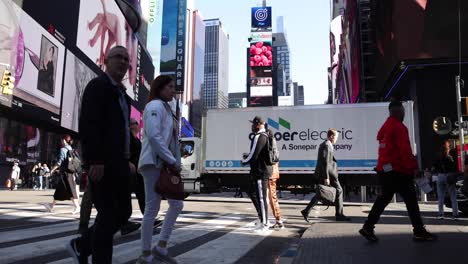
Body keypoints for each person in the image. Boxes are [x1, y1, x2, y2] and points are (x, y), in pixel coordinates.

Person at [67, 46, 134, 264]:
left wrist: (131, 158)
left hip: (121, 163)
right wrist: (94, 160)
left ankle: (82, 245)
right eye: (118, 57)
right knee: (107, 216)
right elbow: (89, 125)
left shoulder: (123, 95)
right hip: (103, 163)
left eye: (126, 59)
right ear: (106, 60)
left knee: (123, 212)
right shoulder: (97, 86)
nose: (123, 62)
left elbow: (125, 131)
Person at [359, 101, 436, 242]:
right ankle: (418, 231)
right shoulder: (399, 128)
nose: (404, 114)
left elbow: (387, 149)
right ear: (399, 112)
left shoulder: (386, 127)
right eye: (403, 112)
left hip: (385, 170)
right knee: (411, 202)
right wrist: (414, 168)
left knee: (383, 200)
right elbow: (405, 151)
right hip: (398, 171)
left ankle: (368, 227)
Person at [136, 75, 183, 264]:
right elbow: (155, 136)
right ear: (160, 88)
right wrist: (172, 160)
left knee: (177, 204)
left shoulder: (166, 108)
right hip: (153, 163)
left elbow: (172, 141)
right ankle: (146, 254)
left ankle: (161, 247)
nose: (173, 90)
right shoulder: (154, 106)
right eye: (170, 87)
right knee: (152, 209)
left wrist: (175, 162)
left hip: (164, 163)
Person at [301, 129, 350, 222]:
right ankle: (339, 215)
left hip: (328, 173)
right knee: (339, 190)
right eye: (336, 137)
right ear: (332, 136)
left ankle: (306, 211)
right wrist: (326, 177)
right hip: (328, 174)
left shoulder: (327, 144)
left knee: (321, 194)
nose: (336, 139)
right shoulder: (327, 145)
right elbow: (325, 162)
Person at [241, 116, 272, 232]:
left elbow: (253, 155)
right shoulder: (265, 136)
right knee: (251, 191)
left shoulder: (259, 136)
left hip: (260, 171)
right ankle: (261, 218)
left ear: (258, 124)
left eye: (253, 124)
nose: (252, 126)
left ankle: (265, 223)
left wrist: (244, 161)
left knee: (261, 198)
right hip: (259, 170)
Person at [43, 135, 80, 214]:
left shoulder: (63, 149)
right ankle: (51, 205)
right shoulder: (71, 148)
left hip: (65, 173)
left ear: (64, 140)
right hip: (70, 172)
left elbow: (59, 163)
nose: (61, 141)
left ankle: (77, 206)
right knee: (60, 190)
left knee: (70, 190)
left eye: (61, 140)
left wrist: (51, 171)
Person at [433, 140, 459, 220]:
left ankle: (441, 214)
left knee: (440, 197)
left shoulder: (438, 155)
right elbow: (454, 166)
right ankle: (455, 215)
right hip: (449, 176)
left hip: (440, 176)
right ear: (449, 146)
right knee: (453, 196)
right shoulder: (451, 155)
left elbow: (434, 166)